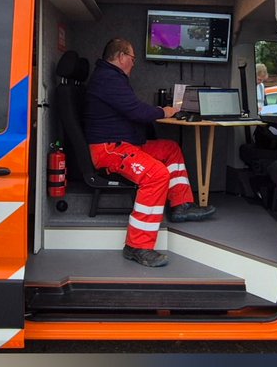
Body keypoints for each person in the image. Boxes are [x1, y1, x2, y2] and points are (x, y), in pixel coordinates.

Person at [84, 37, 215, 268]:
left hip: (125, 144)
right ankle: (137, 245)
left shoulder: (112, 77)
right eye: (132, 58)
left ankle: (181, 205)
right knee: (157, 175)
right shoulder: (108, 78)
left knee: (170, 149)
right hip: (109, 149)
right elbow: (136, 111)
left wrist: (158, 112)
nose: (134, 63)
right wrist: (164, 111)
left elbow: (132, 109)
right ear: (121, 57)